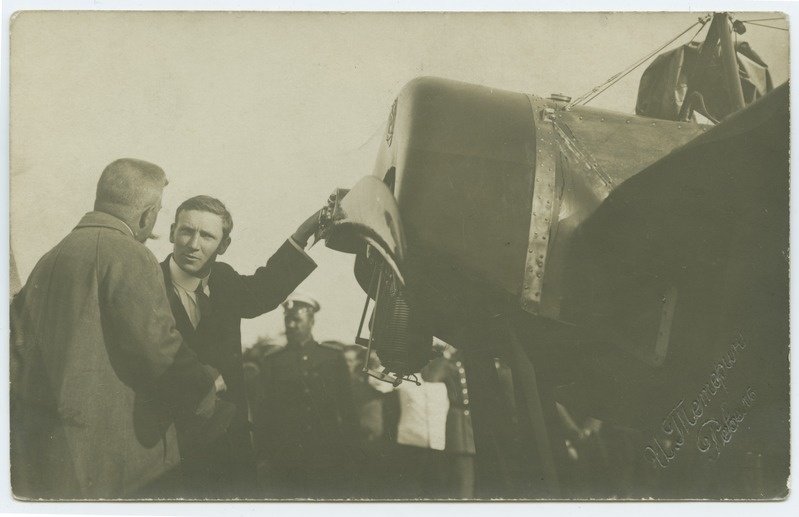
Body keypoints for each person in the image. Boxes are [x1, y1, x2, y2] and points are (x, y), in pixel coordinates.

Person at [9, 158, 225, 499]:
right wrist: (206, 388)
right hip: (113, 464)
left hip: (43, 459)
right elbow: (160, 350)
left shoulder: (49, 259)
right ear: (147, 214)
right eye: (158, 213)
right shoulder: (130, 254)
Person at [160, 195, 321, 499]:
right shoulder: (146, 281)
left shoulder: (224, 279)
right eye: (186, 231)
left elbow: (266, 288)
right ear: (171, 232)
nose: (193, 244)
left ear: (224, 245)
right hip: (165, 447)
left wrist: (304, 233)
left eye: (207, 235)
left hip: (225, 445)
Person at [253, 293, 359, 499]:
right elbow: (265, 411)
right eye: (287, 320)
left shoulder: (332, 358)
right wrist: (264, 453)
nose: (291, 325)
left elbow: (347, 407)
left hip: (327, 451)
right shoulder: (273, 361)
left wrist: (353, 448)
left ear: (311, 321)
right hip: (286, 454)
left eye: (297, 320)